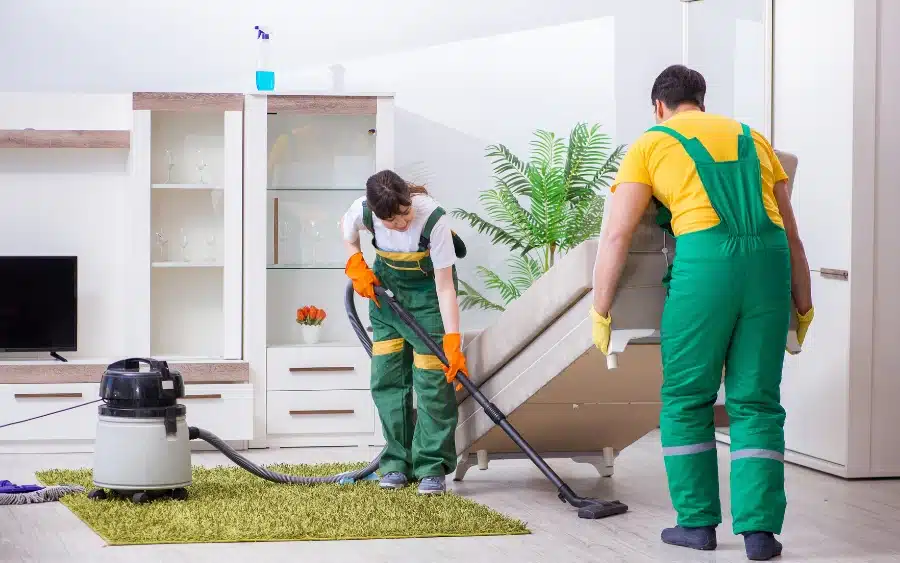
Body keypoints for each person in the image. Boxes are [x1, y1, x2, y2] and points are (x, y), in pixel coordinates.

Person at [589, 65, 814, 561]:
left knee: (688, 397)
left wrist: (601, 309)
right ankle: (760, 535)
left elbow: (617, 235)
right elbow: (792, 232)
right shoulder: (754, 138)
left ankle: (696, 525)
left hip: (707, 264)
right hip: (770, 266)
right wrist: (803, 302)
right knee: (756, 402)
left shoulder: (651, 143)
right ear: (702, 101)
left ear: (659, 107)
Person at [341, 169, 468, 495]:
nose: (402, 224)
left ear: (409, 201)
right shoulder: (363, 211)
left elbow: (445, 287)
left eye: (405, 213)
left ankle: (431, 466)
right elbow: (346, 230)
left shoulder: (433, 219)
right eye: (392, 221)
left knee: (433, 386)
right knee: (387, 380)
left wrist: (452, 340)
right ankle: (396, 461)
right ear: (376, 214)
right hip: (386, 300)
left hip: (428, 301)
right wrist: (356, 262)